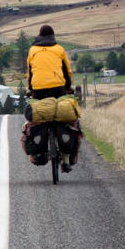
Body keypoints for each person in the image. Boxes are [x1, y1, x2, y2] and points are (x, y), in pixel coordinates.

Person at [24, 24, 81, 171]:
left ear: (39, 36)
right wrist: (68, 86)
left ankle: (38, 152)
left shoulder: (32, 50)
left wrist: (31, 89)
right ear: (53, 36)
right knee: (65, 118)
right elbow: (67, 71)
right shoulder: (59, 49)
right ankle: (67, 159)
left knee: (37, 117)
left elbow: (30, 72)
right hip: (58, 88)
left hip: (38, 89)